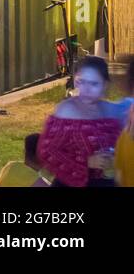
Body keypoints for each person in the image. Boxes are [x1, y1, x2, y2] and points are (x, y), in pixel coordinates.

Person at [37, 55, 124, 187]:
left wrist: (116, 160)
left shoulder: (112, 111)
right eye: (81, 82)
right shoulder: (67, 110)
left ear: (105, 85)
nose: (86, 89)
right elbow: (47, 152)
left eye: (94, 84)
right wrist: (87, 162)